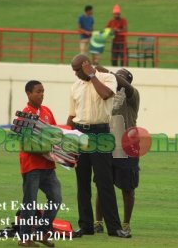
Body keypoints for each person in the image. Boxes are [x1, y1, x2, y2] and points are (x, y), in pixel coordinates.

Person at [67, 54, 131, 238]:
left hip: (100, 133)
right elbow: (72, 116)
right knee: (82, 182)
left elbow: (105, 95)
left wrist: (92, 75)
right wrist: (69, 140)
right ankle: (85, 225)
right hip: (80, 134)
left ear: (87, 65)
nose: (76, 74)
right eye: (74, 70)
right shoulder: (75, 86)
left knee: (104, 181)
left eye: (78, 70)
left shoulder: (107, 78)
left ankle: (114, 228)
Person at [93, 67, 140, 235]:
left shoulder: (132, 95)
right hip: (107, 144)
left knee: (128, 188)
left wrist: (110, 73)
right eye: (117, 75)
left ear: (127, 80)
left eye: (122, 77)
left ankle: (126, 223)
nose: (117, 79)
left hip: (127, 146)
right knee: (102, 185)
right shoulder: (107, 93)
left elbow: (126, 87)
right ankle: (98, 222)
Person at [18, 80, 62, 247]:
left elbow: (56, 136)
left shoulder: (46, 111)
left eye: (43, 91)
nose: (42, 94)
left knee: (56, 198)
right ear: (28, 94)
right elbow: (25, 143)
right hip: (32, 166)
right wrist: (45, 150)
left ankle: (42, 232)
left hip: (48, 166)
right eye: (38, 91)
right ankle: (24, 238)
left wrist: (67, 157)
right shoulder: (25, 114)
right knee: (30, 202)